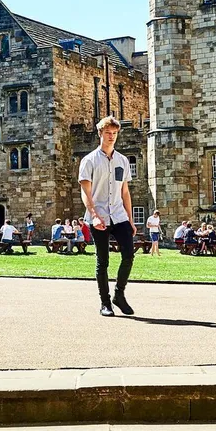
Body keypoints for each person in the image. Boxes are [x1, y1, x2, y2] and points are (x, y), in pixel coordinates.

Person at [79, 116, 136, 317]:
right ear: (100, 134)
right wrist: (94, 215)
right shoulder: (89, 161)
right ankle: (105, 303)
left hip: (119, 215)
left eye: (114, 133)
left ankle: (119, 295)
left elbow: (125, 192)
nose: (111, 137)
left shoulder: (122, 161)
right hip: (99, 216)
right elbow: (86, 192)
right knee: (102, 261)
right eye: (107, 133)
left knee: (129, 255)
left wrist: (130, 219)